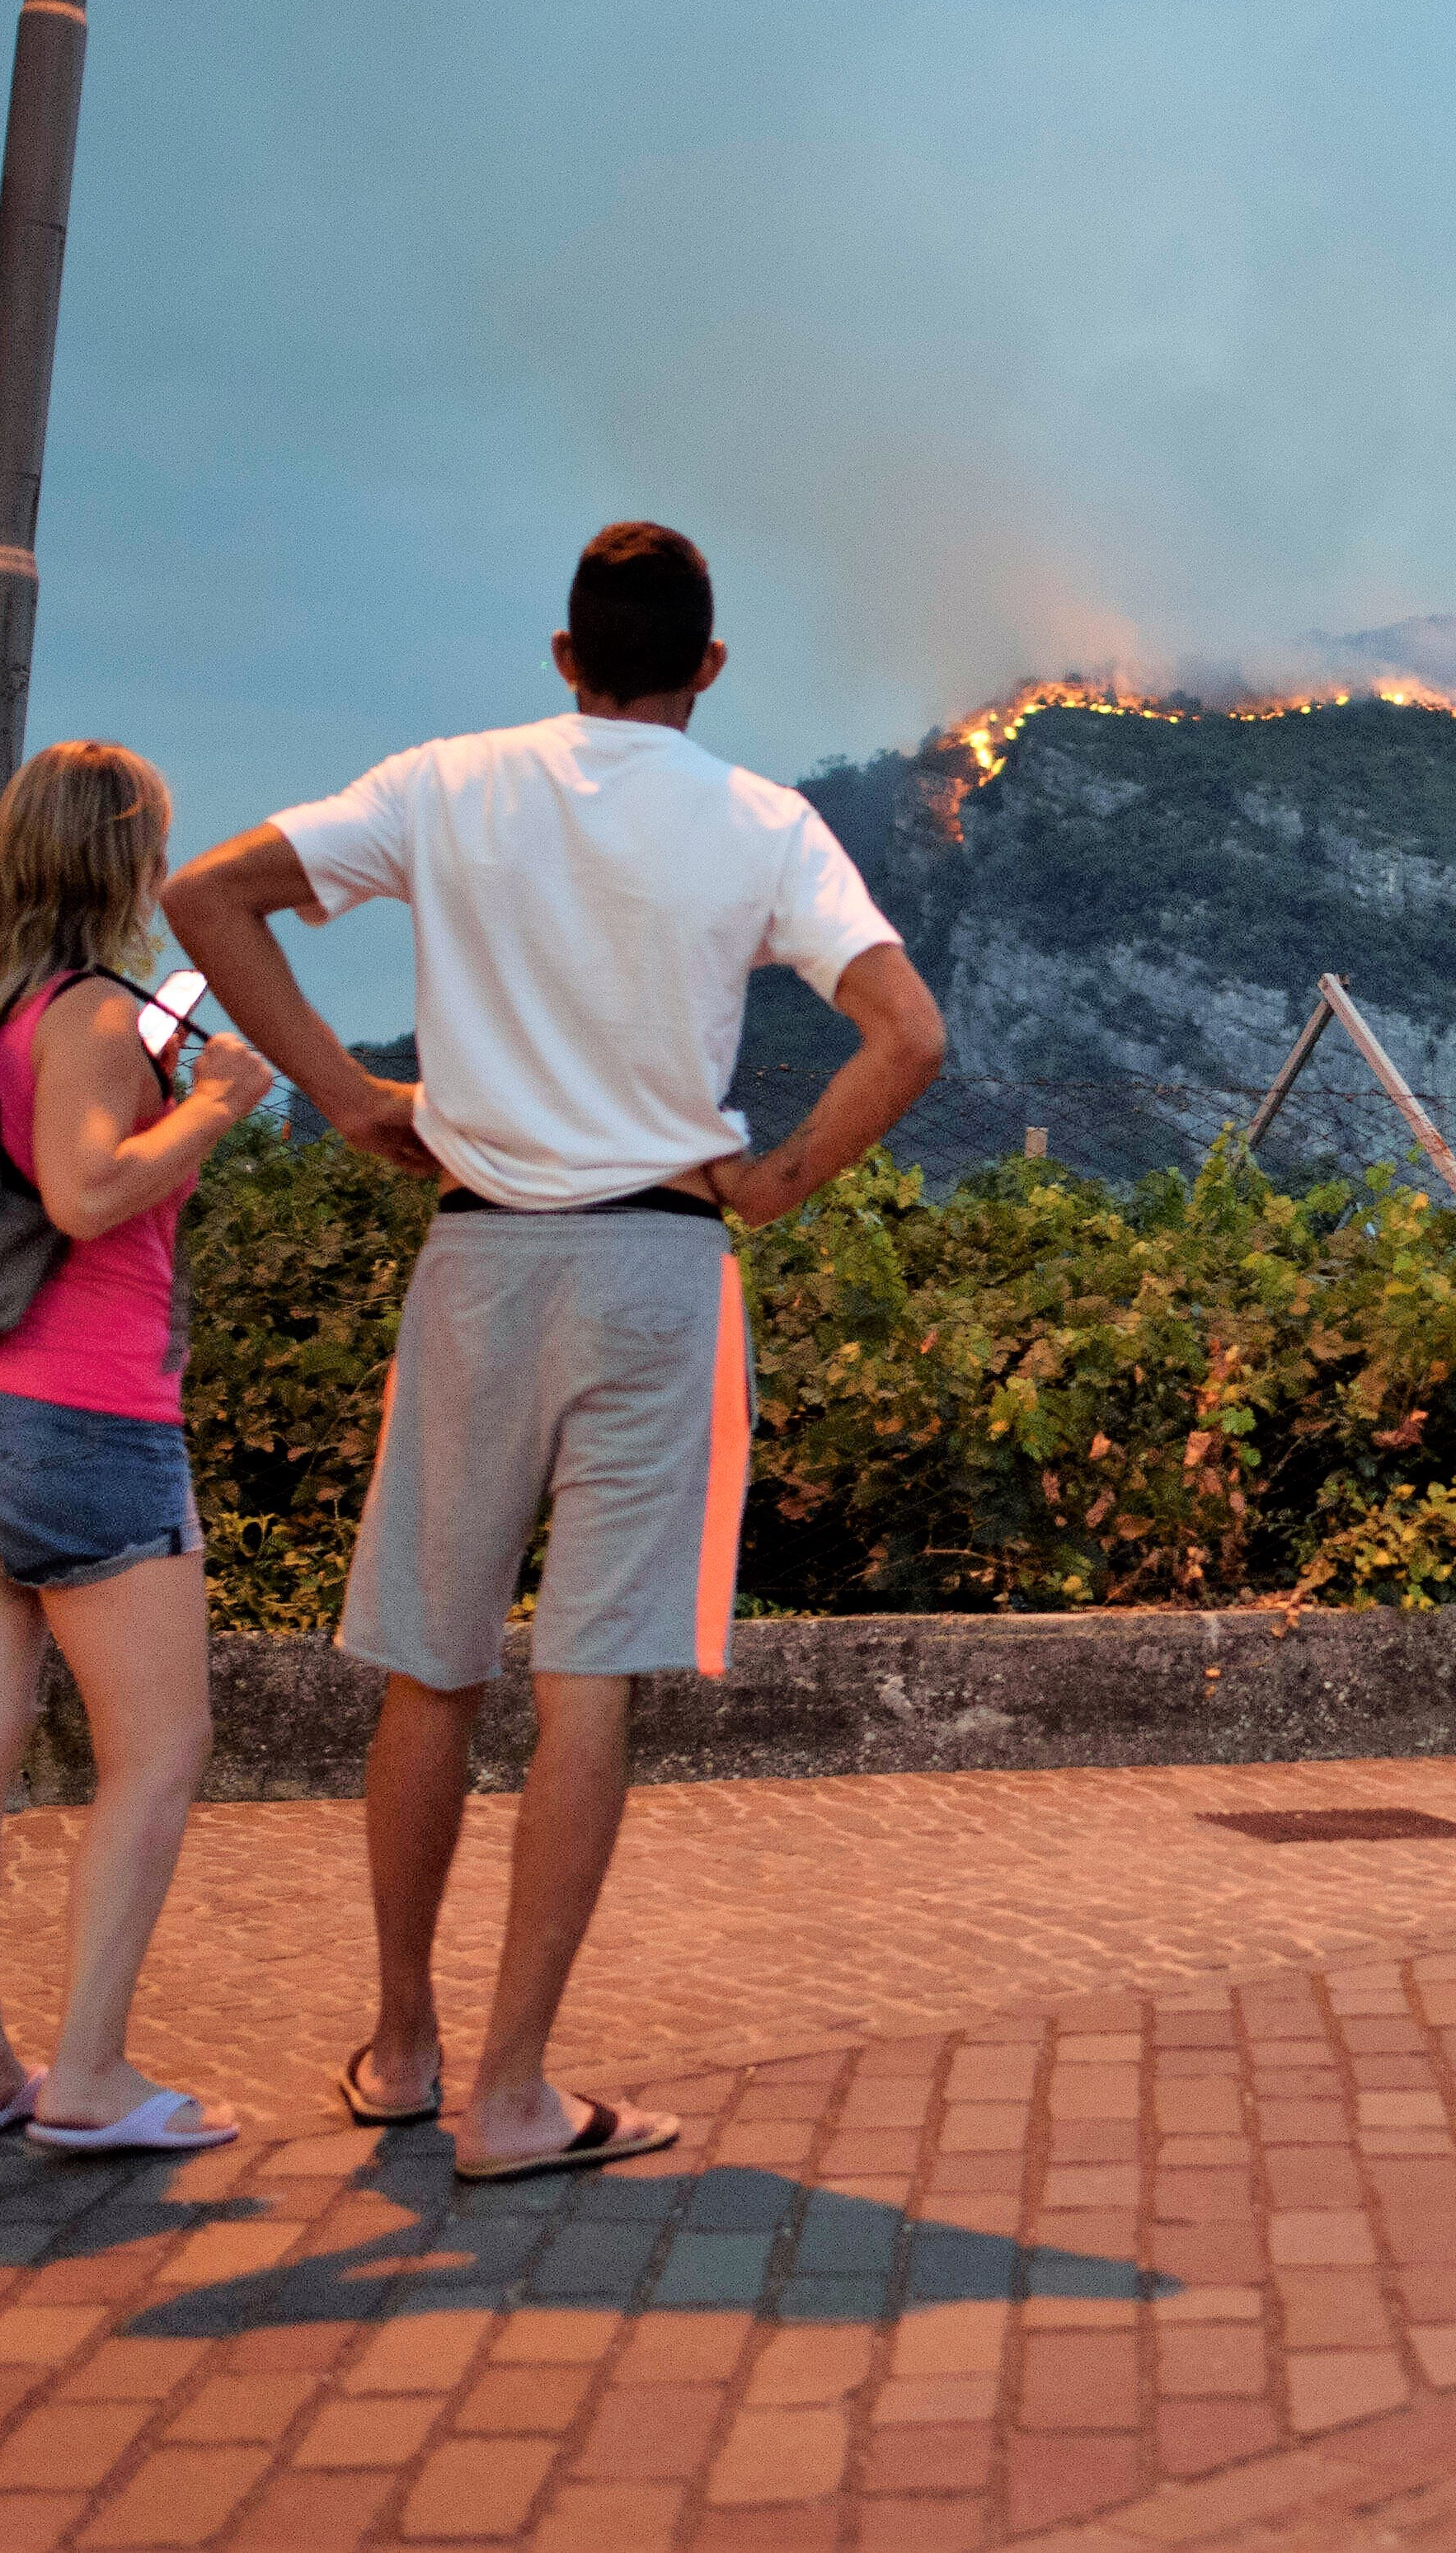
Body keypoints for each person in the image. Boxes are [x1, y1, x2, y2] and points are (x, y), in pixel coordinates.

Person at [163, 524, 946, 2179]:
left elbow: (205, 893)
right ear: (707, 667)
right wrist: (785, 1174)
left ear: (562, 653)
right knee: (585, 1676)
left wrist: (342, 1087)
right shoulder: (762, 823)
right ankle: (516, 2091)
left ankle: (402, 2043)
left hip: (476, 1253)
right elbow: (909, 1032)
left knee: (430, 1659)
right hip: (659, 1265)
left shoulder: (449, 783)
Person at [0, 742, 274, 2155]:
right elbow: (86, 1188)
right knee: (161, 1749)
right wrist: (218, 1104)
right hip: (83, 1418)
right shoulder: (98, 1015)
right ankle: (95, 2077)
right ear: (129, 863)